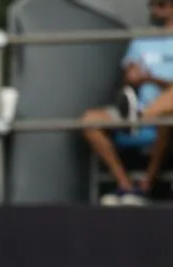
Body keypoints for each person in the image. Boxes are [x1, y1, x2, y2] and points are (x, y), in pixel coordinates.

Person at [81, 0, 173, 206]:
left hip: (163, 114)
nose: (156, 9)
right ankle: (126, 186)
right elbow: (129, 75)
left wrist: (152, 79)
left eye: (162, 4)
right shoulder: (142, 41)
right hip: (140, 109)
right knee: (90, 121)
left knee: (168, 107)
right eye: (153, 4)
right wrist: (132, 76)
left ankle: (146, 185)